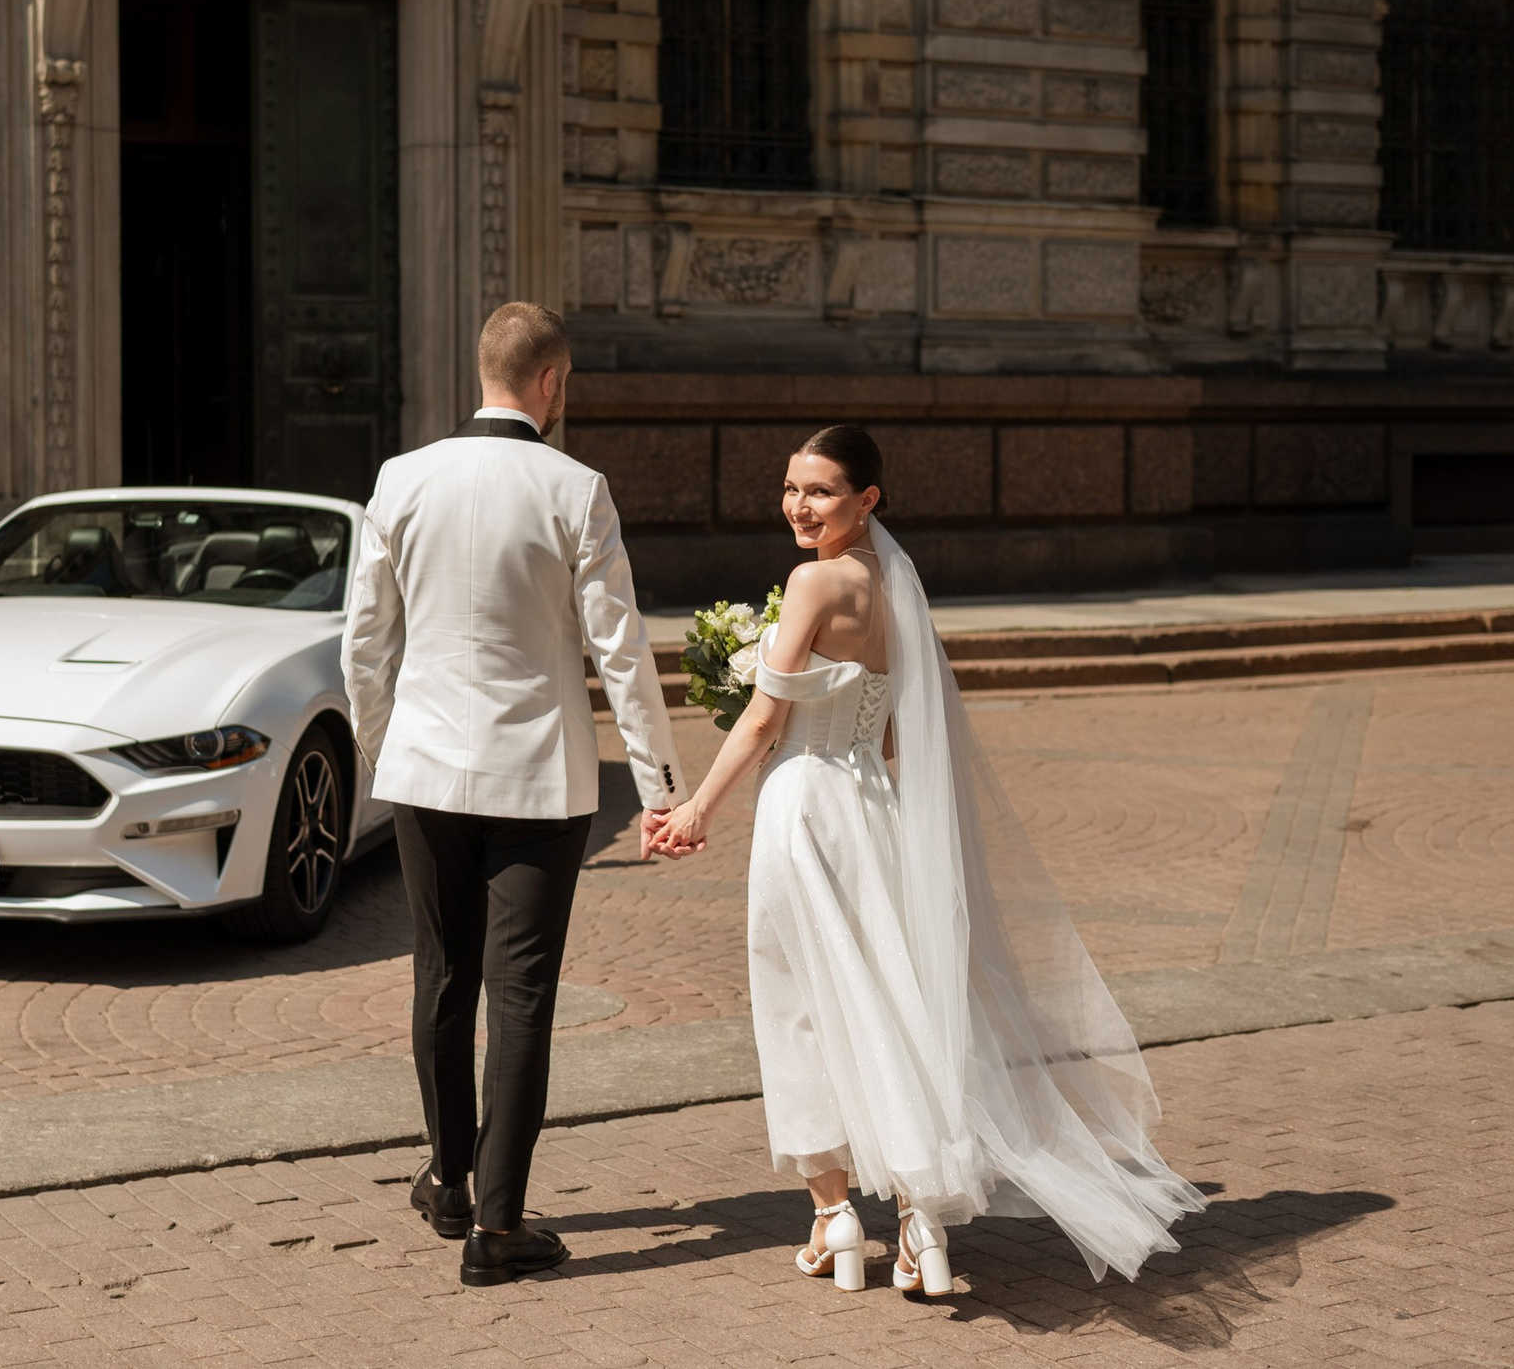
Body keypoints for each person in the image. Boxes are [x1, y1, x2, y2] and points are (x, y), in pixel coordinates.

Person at [646, 425, 1202, 1295]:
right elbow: (900, 728)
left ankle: (837, 1216)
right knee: (887, 1000)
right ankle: (919, 1220)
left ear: (867, 498)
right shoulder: (893, 587)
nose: (799, 504)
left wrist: (695, 809)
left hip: (803, 805)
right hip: (871, 805)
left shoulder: (813, 580)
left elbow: (762, 720)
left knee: (802, 1005)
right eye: (791, 487)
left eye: (821, 490)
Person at [344, 303, 680, 1287]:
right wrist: (659, 785)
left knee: (440, 974)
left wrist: (380, 747)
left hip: (427, 769)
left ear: (483, 370)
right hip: (538, 776)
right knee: (521, 993)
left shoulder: (401, 479)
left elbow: (365, 637)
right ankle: (496, 1223)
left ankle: (448, 1177)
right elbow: (620, 650)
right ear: (552, 383)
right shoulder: (576, 488)